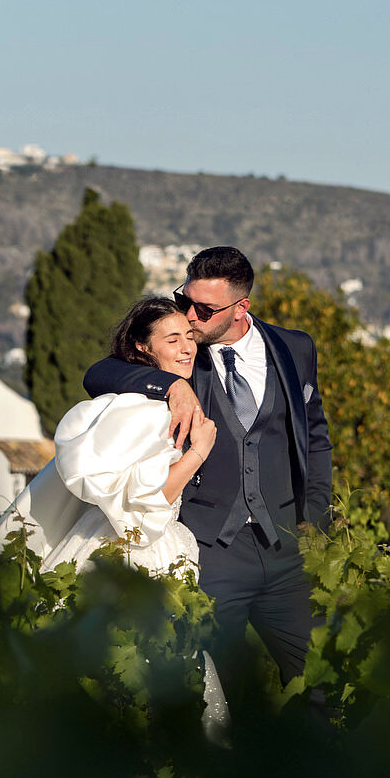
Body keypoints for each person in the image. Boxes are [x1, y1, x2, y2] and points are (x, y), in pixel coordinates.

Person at [82, 246, 333, 696]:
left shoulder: (295, 348)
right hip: (209, 550)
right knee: (220, 693)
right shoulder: (179, 350)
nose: (190, 316)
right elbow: (100, 373)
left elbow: (315, 436)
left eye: (205, 308)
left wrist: (315, 518)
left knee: (324, 681)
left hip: (287, 551)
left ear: (241, 308)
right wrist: (172, 385)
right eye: (186, 299)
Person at [0, 295, 217, 579]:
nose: (186, 349)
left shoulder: (135, 402)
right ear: (142, 346)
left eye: (189, 337)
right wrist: (199, 450)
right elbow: (145, 504)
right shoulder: (151, 412)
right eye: (172, 341)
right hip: (135, 554)